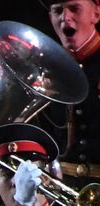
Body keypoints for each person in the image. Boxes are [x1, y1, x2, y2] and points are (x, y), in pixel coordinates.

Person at [43, 0, 100, 185]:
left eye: (74, 8)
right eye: (58, 10)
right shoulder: (44, 69)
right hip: (62, 191)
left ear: (96, 14)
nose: (65, 17)